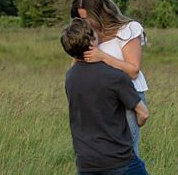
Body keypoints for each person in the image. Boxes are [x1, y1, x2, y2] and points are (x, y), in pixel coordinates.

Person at [61, 18, 150, 175]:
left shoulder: (70, 77)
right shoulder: (115, 76)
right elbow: (143, 114)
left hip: (84, 161)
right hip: (118, 160)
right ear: (92, 42)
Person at [71, 0, 148, 156]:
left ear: (100, 12)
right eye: (81, 18)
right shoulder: (89, 34)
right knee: (98, 155)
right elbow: (75, 69)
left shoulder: (128, 30)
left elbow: (133, 70)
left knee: (126, 153)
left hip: (127, 98)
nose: (86, 23)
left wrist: (103, 57)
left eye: (87, 17)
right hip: (98, 100)